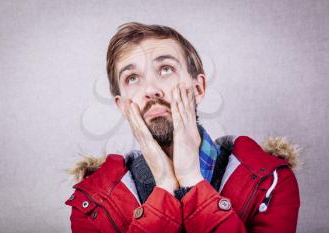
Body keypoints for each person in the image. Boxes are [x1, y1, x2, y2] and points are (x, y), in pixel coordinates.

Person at [65, 22, 300, 233]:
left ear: (198, 88)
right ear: (123, 106)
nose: (151, 89)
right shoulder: (90, 203)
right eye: (133, 78)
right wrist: (165, 187)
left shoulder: (271, 183)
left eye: (166, 69)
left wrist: (191, 180)